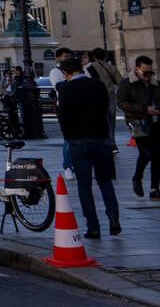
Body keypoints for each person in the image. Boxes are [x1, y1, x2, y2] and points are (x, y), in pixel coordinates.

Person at [57, 54, 121, 238]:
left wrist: (69, 136)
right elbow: (105, 109)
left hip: (78, 139)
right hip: (100, 137)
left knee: (84, 186)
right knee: (105, 181)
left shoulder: (67, 89)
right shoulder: (97, 85)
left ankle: (93, 226)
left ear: (66, 73)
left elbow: (63, 116)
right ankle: (113, 217)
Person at [117, 55, 158, 201]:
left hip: (154, 122)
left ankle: (154, 189)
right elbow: (121, 103)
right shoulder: (127, 83)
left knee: (156, 155)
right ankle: (137, 178)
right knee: (147, 153)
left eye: (150, 72)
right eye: (145, 73)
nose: (148, 76)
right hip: (136, 122)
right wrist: (144, 109)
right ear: (137, 70)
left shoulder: (154, 83)